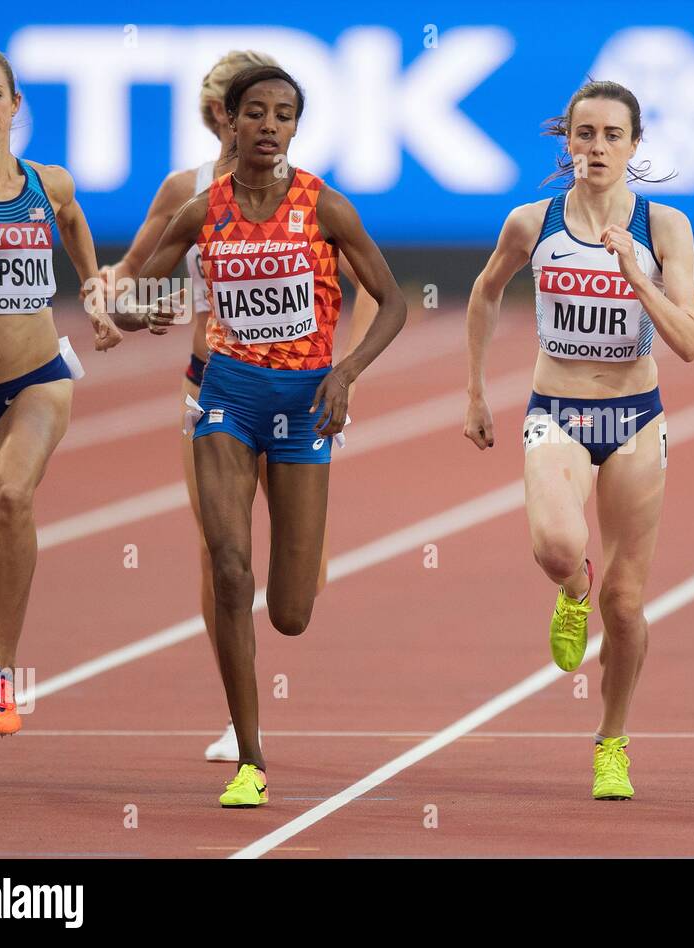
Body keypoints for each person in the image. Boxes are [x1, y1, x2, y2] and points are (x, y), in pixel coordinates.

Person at [127, 65, 407, 806]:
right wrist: (144, 311)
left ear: (295, 126)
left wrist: (345, 374)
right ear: (229, 120)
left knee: (289, 612)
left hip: (304, 407)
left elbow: (395, 302)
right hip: (227, 398)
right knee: (226, 569)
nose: (269, 126)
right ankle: (250, 757)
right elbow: (134, 296)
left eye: (284, 115)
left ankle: (299, 566)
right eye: (256, 112)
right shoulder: (201, 209)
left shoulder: (325, 206)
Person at [464, 80, 694, 801]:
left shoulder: (665, 228)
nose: (596, 148)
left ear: (635, 145)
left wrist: (638, 275)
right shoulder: (530, 223)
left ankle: (612, 742)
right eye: (584, 134)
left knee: (626, 604)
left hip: (636, 418)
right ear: (566, 142)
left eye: (610, 135)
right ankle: (572, 588)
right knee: (559, 546)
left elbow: (689, 341)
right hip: (557, 411)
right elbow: (484, 291)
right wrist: (475, 389)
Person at [0, 45, 121, 735]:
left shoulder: (50, 182)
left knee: (12, 497)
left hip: (35, 380)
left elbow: (71, 220)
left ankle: (2, 674)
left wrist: (93, 284)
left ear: (15, 107)